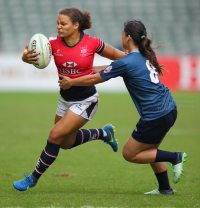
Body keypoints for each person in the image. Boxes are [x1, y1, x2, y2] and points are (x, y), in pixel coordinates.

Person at [60, 19, 187, 195]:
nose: (121, 35)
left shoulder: (127, 61)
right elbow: (109, 68)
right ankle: (165, 189)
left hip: (155, 115)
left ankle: (175, 157)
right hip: (169, 108)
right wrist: (83, 69)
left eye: (122, 32)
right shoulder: (140, 55)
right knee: (151, 150)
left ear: (127, 37)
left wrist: (71, 82)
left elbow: (94, 79)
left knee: (130, 154)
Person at [13, 7, 127, 191]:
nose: (59, 27)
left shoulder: (92, 43)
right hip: (65, 100)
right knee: (65, 143)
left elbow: (119, 58)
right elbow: (29, 57)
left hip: (86, 100)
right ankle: (103, 133)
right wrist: (26, 58)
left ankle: (32, 178)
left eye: (63, 23)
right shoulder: (51, 44)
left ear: (76, 25)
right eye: (57, 23)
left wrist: (129, 62)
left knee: (54, 135)